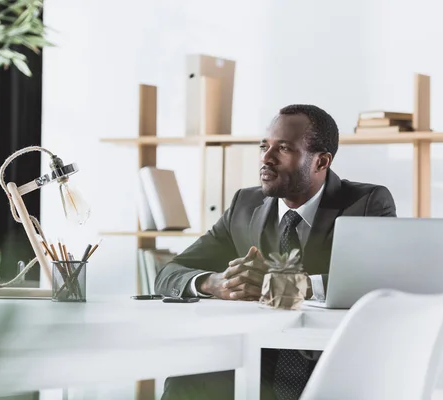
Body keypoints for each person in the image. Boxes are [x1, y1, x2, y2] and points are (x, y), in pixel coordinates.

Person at [155, 104, 397, 400]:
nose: (266, 159)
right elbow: (170, 272)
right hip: (254, 361)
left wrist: (290, 285)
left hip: (332, 362)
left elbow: (381, 283)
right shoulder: (245, 204)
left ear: (321, 161)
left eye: (283, 148)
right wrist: (215, 283)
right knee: (187, 376)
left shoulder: (366, 203)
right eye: (264, 146)